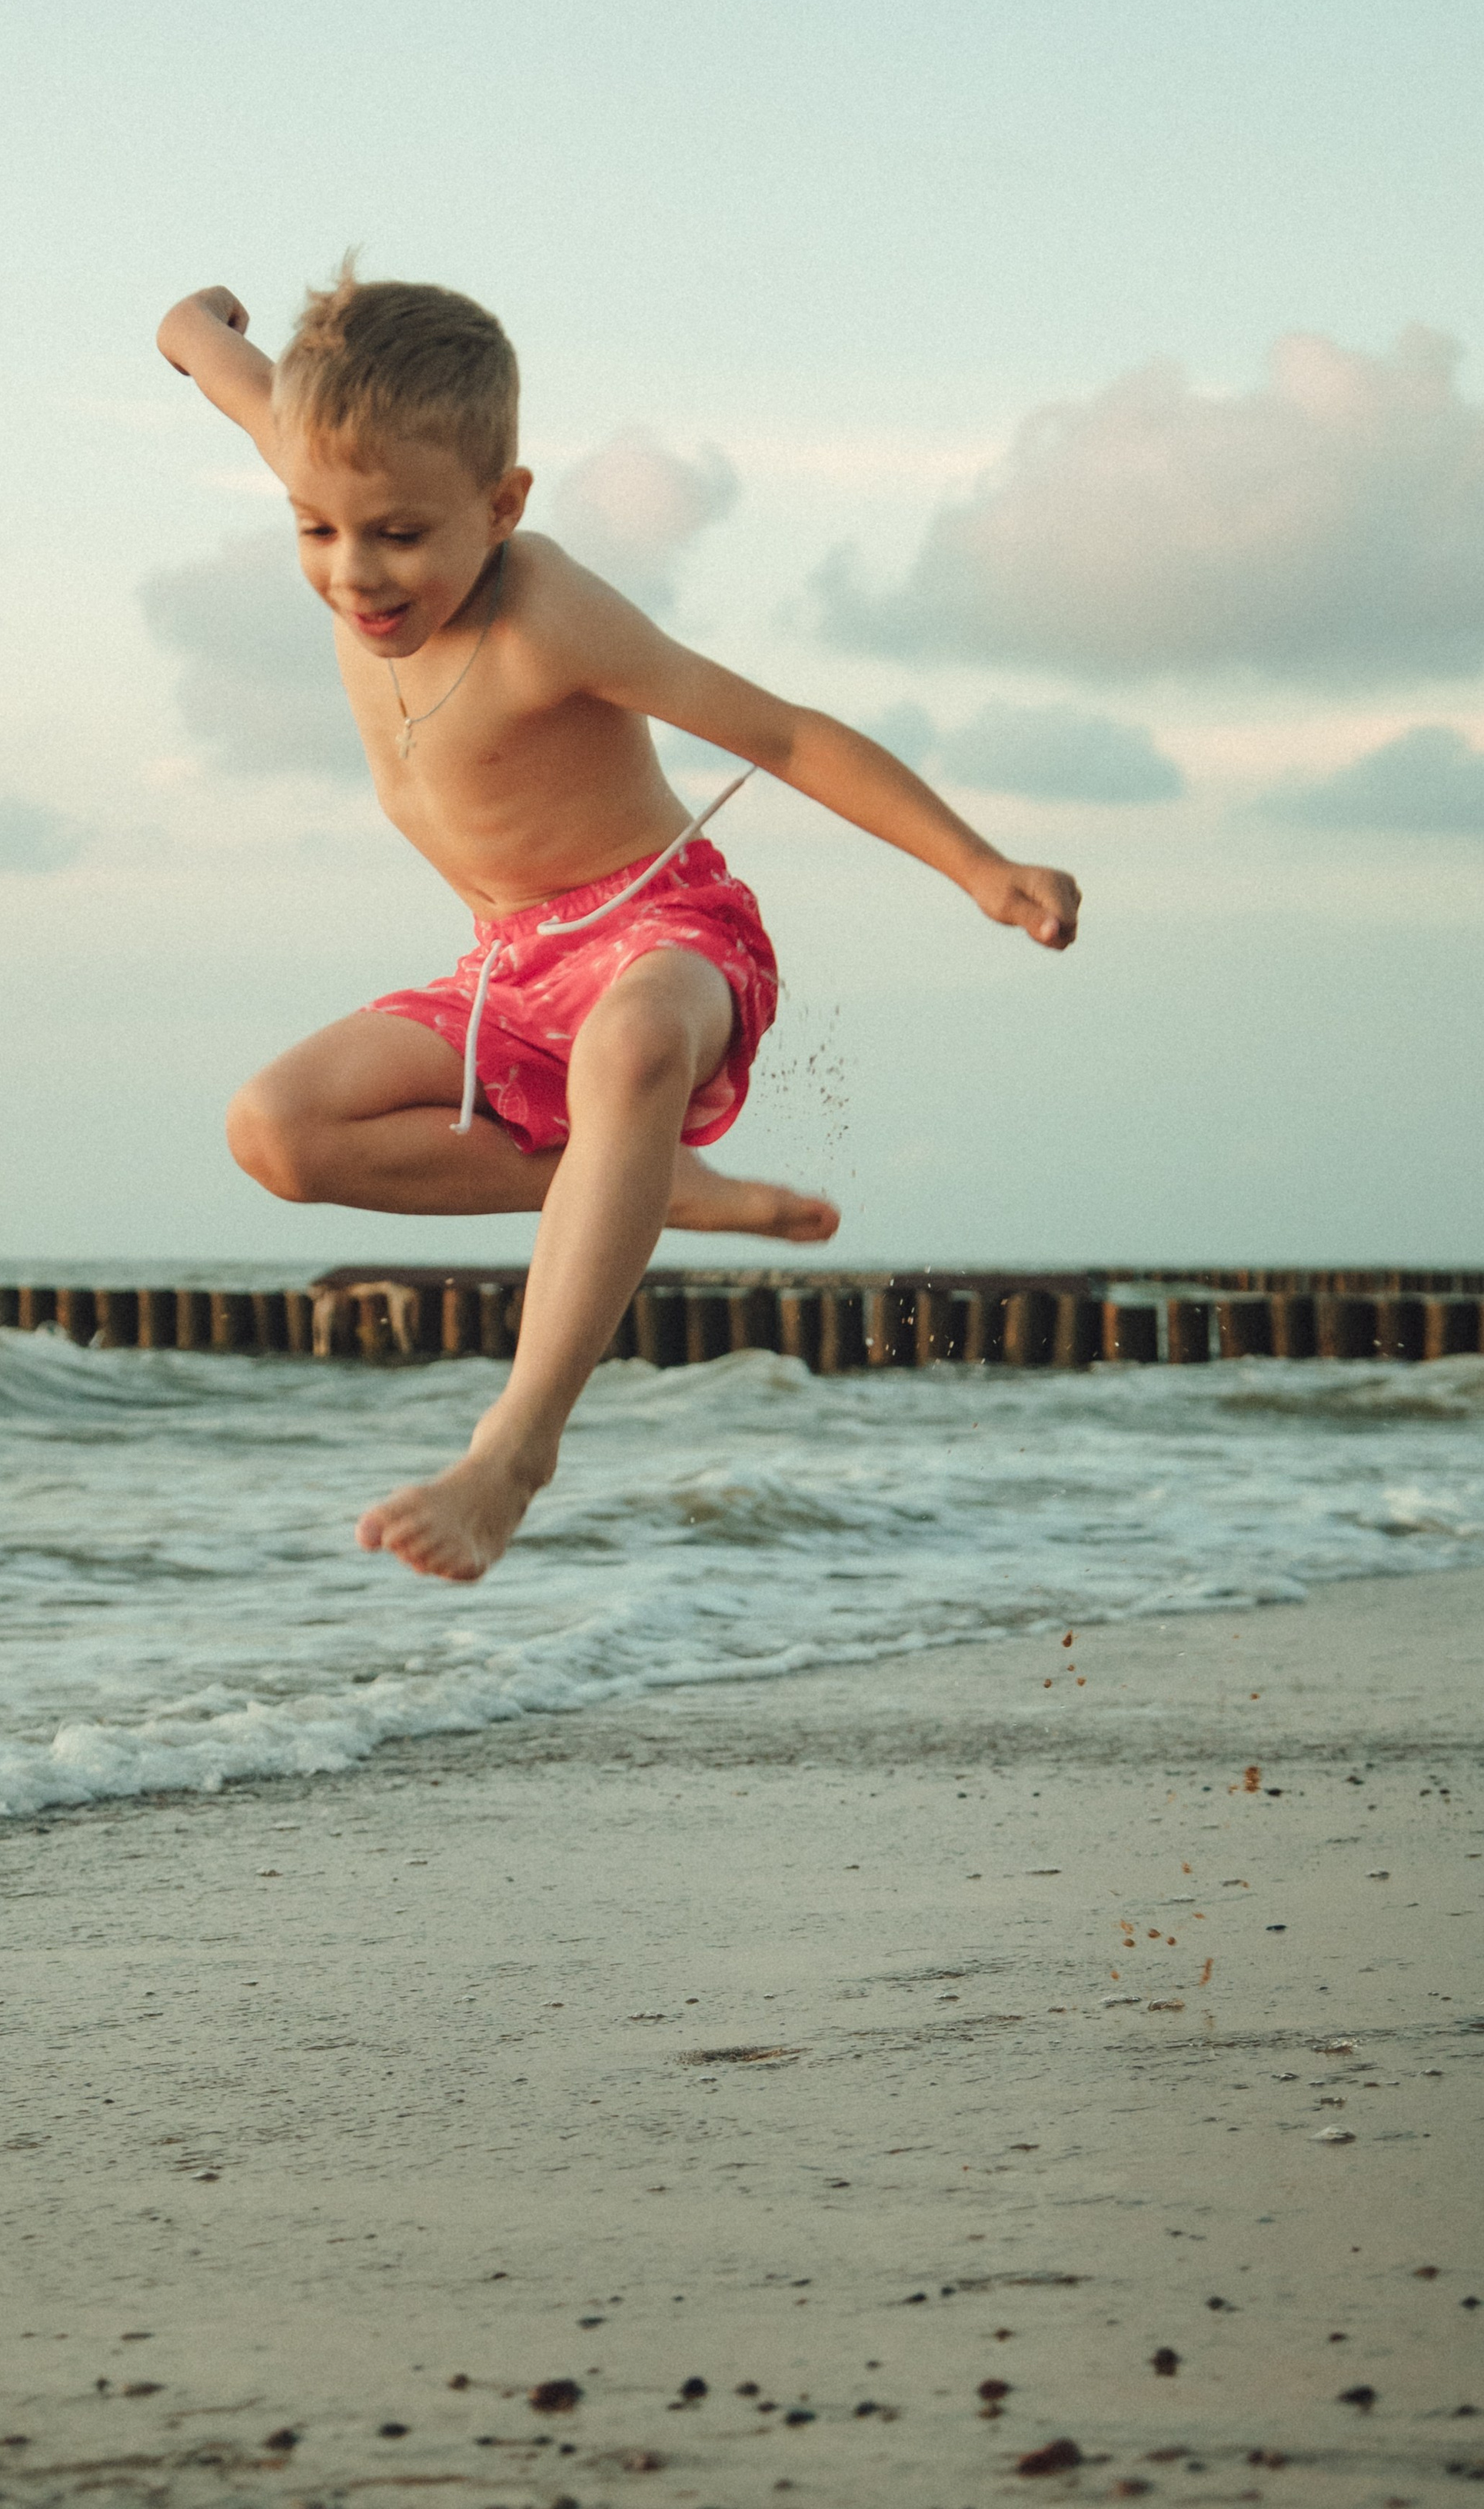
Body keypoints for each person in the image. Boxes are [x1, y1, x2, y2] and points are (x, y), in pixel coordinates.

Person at [156, 268, 1080, 1584]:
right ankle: (649, 1184)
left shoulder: (548, 617)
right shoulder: (335, 465)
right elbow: (220, 367)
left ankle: (513, 1452)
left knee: (632, 1048)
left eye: (402, 537)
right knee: (278, 1132)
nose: (354, 573)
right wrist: (197, 327)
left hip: (666, 935)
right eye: (314, 529)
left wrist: (979, 865)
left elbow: (781, 733)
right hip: (508, 970)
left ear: (503, 505)